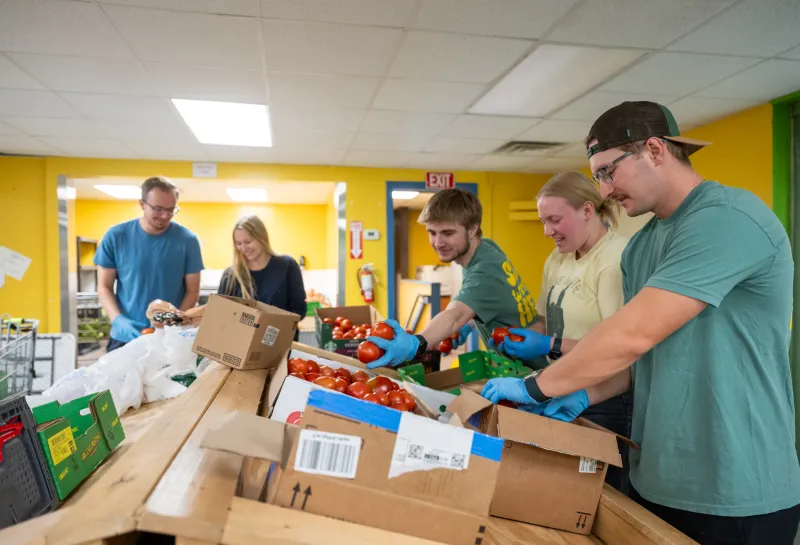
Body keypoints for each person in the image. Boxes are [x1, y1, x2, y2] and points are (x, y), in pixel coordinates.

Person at [480, 101, 800, 544]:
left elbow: (633, 333)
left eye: (608, 172)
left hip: (734, 485)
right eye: (597, 177)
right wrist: (587, 391)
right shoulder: (640, 247)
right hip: (656, 479)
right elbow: (643, 357)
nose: (604, 191)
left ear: (654, 150)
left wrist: (539, 384)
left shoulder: (727, 218)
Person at [497, 171, 632, 494]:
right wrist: (520, 339)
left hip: (605, 395)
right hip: (562, 382)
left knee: (599, 493)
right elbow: (546, 319)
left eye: (554, 220)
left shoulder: (614, 260)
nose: (547, 231)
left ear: (587, 210)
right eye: (543, 221)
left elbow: (619, 346)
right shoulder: (558, 259)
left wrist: (551, 344)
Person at [365, 187, 544, 369]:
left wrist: (416, 343)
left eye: (448, 233)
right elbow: (491, 300)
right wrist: (471, 324)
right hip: (522, 363)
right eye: (432, 232)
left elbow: (454, 316)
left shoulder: (483, 273)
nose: (437, 243)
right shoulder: (487, 248)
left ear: (473, 229)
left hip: (533, 372)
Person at [95, 176, 203, 352]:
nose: (164, 216)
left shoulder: (187, 241)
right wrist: (118, 320)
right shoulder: (116, 236)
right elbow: (104, 287)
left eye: (171, 210)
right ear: (142, 204)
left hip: (169, 340)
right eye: (158, 209)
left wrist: (173, 323)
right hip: (125, 339)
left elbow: (193, 291)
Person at [218, 215, 307, 330]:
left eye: (248, 242)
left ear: (262, 238)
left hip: (278, 344)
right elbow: (220, 314)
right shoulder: (230, 275)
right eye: (239, 243)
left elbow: (299, 310)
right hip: (240, 345)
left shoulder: (287, 266)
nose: (243, 248)